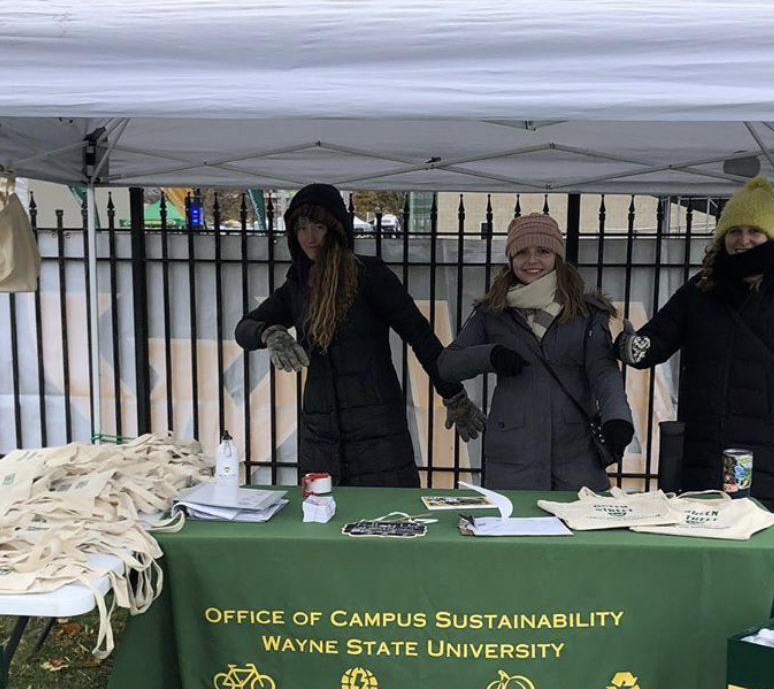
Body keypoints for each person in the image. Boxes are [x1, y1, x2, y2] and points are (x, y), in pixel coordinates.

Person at [614, 176, 774, 527]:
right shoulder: (701, 288)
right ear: (723, 236)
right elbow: (656, 339)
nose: (743, 240)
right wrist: (632, 347)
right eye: (734, 231)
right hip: (703, 440)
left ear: (770, 235)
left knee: (761, 537)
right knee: (698, 536)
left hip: (769, 444)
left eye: (754, 231)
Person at [235, 184, 485, 486]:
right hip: (321, 435)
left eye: (318, 226)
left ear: (336, 229)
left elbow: (420, 336)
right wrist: (270, 333)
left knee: (387, 521)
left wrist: (453, 393)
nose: (309, 237)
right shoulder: (297, 286)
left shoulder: (370, 276)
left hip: (377, 432)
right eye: (301, 228)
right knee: (324, 519)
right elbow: (245, 327)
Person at [436, 213, 634, 491]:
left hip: (576, 453)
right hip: (513, 453)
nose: (531, 261)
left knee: (578, 529)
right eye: (522, 252)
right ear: (510, 258)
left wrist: (617, 419)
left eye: (542, 251)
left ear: (557, 256)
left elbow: (603, 372)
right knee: (512, 532)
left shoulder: (587, 313)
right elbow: (448, 365)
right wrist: (490, 356)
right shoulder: (492, 312)